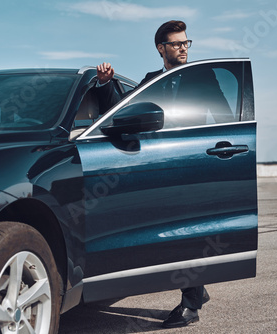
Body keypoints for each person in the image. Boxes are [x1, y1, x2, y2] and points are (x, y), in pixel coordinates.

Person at [94, 20, 216, 328]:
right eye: (177, 44)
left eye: (187, 43)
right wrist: (106, 84)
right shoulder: (151, 80)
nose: (183, 48)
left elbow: (225, 114)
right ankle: (197, 291)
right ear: (161, 48)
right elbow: (121, 112)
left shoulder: (203, 77)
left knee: (187, 232)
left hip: (192, 161)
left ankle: (190, 306)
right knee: (171, 230)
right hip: (161, 164)